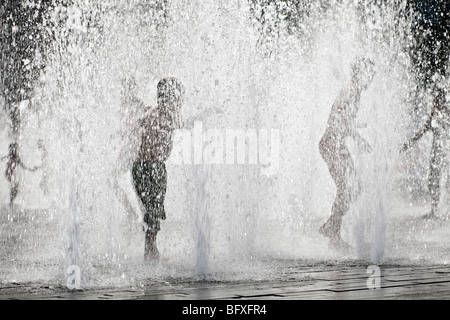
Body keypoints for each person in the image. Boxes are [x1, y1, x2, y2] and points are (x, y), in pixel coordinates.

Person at [318, 57, 375, 249]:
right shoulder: (351, 90)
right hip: (330, 145)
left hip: (338, 145)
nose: (372, 77)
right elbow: (339, 116)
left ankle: (332, 226)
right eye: (369, 73)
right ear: (359, 73)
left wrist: (357, 126)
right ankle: (333, 233)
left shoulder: (355, 92)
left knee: (355, 187)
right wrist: (358, 138)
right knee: (345, 187)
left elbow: (341, 116)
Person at [401, 0, 449, 219]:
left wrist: (410, 142)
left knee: (438, 173)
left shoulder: (443, 105)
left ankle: (437, 209)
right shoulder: (438, 108)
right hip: (439, 150)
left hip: (443, 150)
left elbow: (428, 126)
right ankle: (435, 209)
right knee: (435, 174)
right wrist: (410, 142)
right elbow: (427, 127)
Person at [128, 77, 184, 261]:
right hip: (152, 167)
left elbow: (139, 122)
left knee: (152, 211)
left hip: (140, 167)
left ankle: (151, 250)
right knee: (154, 210)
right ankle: (150, 253)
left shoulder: (153, 112)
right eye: (177, 96)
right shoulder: (164, 115)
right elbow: (183, 123)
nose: (179, 100)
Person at [1, 142, 41, 207]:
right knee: (15, 187)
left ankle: (11, 201)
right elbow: (23, 166)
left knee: (14, 186)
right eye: (16, 148)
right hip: (9, 174)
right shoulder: (14, 157)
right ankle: (11, 202)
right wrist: (31, 169)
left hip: (8, 174)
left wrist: (31, 169)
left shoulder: (12, 156)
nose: (17, 150)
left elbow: (23, 166)